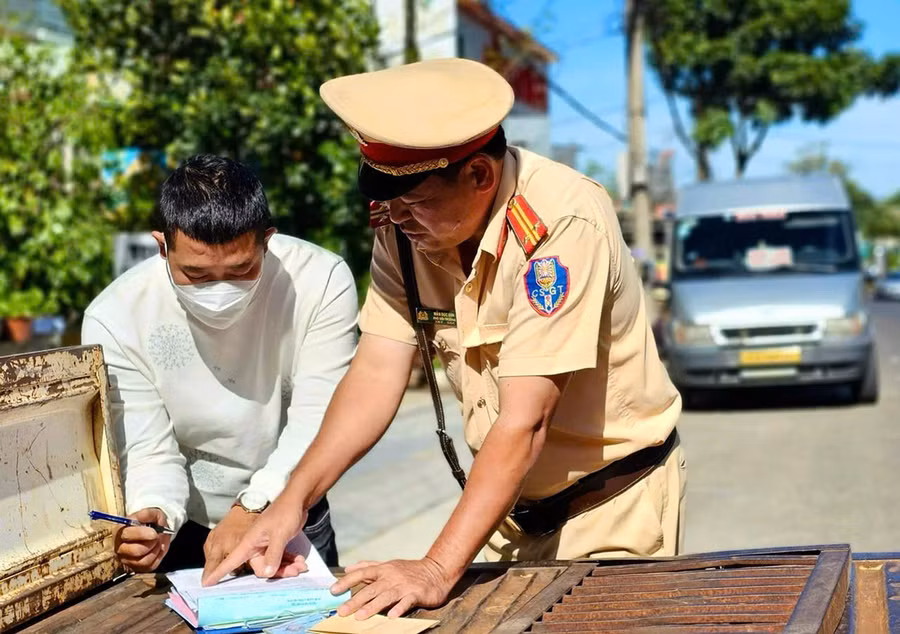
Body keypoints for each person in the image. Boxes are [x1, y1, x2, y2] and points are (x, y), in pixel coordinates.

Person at [205, 58, 686, 618]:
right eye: (389, 200)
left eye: (416, 201)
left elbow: (526, 420)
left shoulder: (561, 224)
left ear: (479, 175)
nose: (398, 217)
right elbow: (377, 373)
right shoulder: (404, 230)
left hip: (609, 508)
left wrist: (435, 568)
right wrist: (291, 501)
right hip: (506, 511)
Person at [81, 154, 358, 577]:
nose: (220, 290)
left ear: (268, 240)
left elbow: (321, 416)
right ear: (161, 246)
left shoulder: (319, 282)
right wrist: (154, 514)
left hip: (292, 509)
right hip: (184, 527)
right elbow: (146, 445)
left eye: (241, 269)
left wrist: (256, 505)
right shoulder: (117, 316)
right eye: (196, 275)